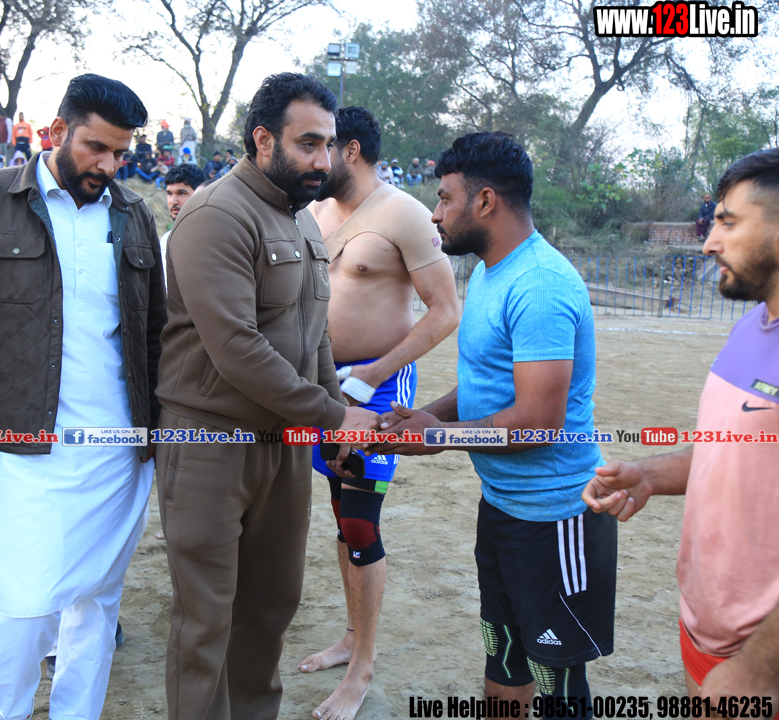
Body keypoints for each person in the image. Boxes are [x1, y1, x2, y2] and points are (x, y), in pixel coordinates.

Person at [0, 73, 166, 720]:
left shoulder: (134, 215)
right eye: (95, 147)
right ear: (57, 131)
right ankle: (13, 709)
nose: (107, 165)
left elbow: (155, 337)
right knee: (19, 602)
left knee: (96, 602)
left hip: (116, 450)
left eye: (120, 153)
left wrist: (160, 435)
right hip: (18, 444)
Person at [155, 73, 380, 720]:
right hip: (210, 445)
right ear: (262, 140)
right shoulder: (215, 216)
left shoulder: (301, 220)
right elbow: (237, 349)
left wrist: (332, 426)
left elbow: (314, 340)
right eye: (308, 143)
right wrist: (334, 414)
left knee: (270, 607)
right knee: (206, 620)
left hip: (283, 444)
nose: (323, 160)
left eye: (329, 145)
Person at [366, 132, 614, 713]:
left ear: (484, 202)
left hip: (555, 517)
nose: (435, 214)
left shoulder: (540, 285)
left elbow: (537, 423)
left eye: (444, 198)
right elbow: (486, 386)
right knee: (502, 656)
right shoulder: (489, 273)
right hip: (502, 506)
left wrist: (439, 439)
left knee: (558, 682)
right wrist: (426, 417)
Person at [582, 148, 779, 704]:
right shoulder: (751, 326)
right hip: (707, 629)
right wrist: (648, 475)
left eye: (728, 223)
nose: (709, 242)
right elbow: (735, 452)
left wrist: (758, 670)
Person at [300, 106, 461, 720]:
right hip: (323, 386)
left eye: (324, 146)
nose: (315, 160)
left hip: (380, 384)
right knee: (340, 516)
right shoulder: (315, 212)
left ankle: (362, 668)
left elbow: (445, 310)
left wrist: (371, 376)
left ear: (352, 149)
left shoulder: (404, 214)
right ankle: (350, 637)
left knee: (361, 522)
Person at [159, 162, 206, 286]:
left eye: (181, 193)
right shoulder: (166, 239)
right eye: (169, 193)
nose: (173, 201)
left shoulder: (210, 238)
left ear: (200, 194)